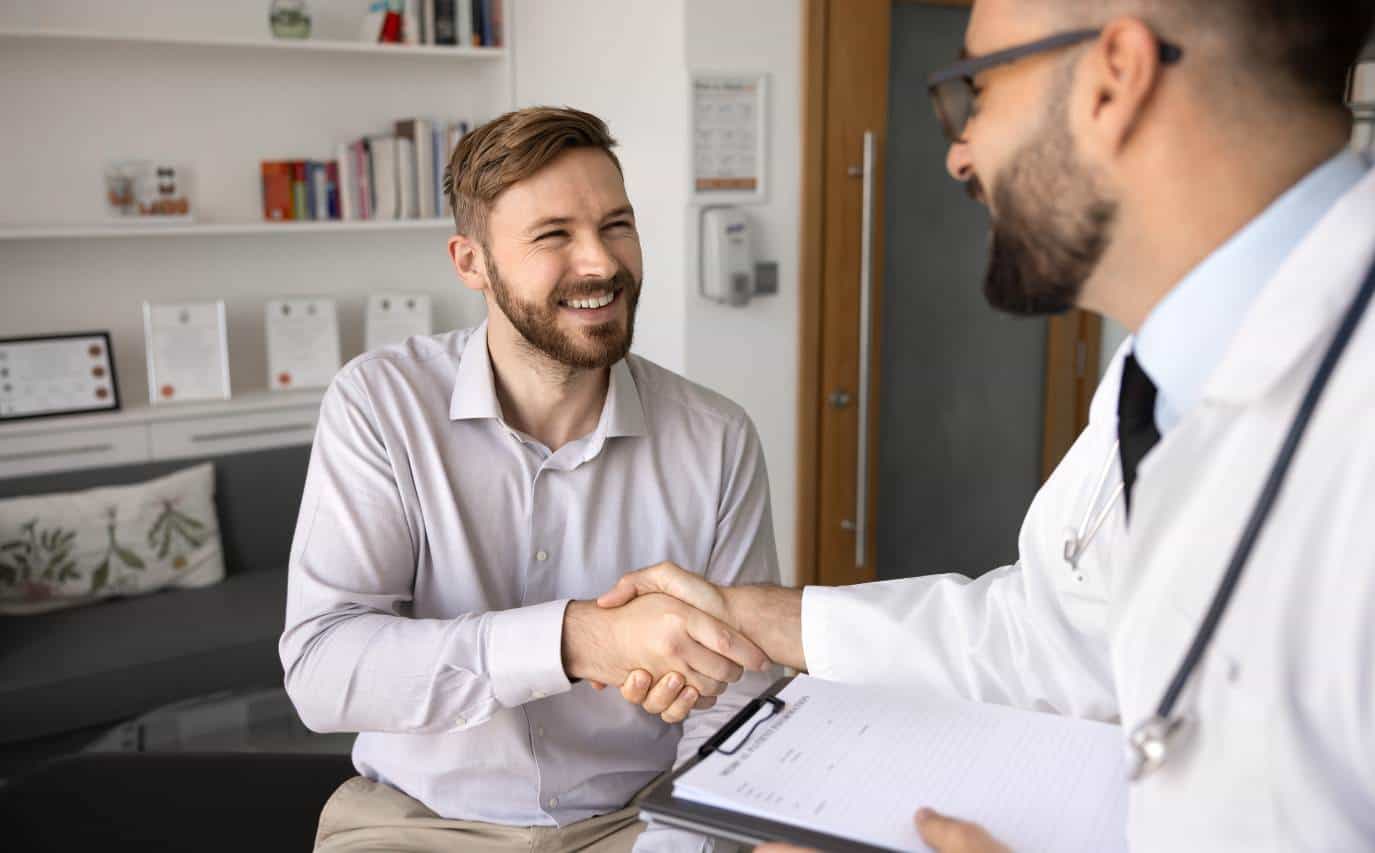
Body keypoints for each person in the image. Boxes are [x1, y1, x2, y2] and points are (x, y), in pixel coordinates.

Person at [595, 0, 1375, 849]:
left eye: (977, 90)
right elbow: (1051, 638)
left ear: (1114, 78)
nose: (959, 154)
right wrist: (753, 616)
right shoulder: (1161, 372)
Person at [280, 106, 778, 853]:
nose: (601, 263)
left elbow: (734, 698)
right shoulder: (379, 403)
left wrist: (679, 845)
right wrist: (576, 639)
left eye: (616, 225)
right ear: (470, 262)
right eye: (554, 236)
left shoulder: (717, 436)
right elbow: (323, 670)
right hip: (417, 824)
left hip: (638, 820)